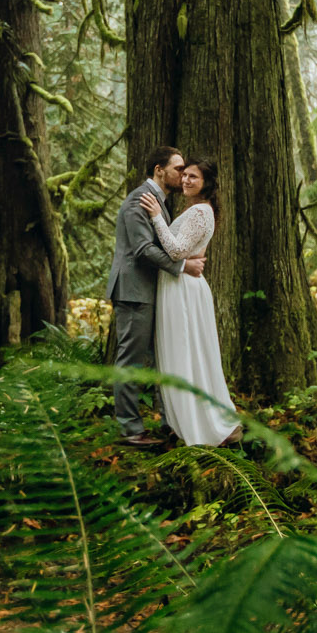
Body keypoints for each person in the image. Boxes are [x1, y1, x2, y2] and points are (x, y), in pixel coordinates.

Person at [104, 146, 205, 449]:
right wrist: (182, 266)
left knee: (163, 358)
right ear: (159, 170)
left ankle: (170, 422)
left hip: (150, 292)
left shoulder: (159, 203)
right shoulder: (140, 200)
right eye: (178, 168)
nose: (182, 174)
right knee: (131, 360)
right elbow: (142, 249)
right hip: (134, 292)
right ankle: (130, 430)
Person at [138, 157, 241, 446]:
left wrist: (158, 216)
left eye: (193, 177)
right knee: (183, 354)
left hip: (182, 288)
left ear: (206, 183)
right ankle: (183, 421)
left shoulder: (199, 212)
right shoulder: (197, 210)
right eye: (184, 175)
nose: (185, 180)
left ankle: (199, 425)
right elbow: (183, 251)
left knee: (184, 353)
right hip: (178, 285)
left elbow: (176, 251)